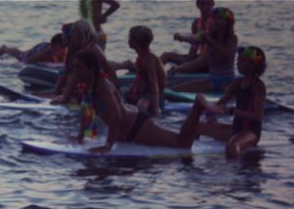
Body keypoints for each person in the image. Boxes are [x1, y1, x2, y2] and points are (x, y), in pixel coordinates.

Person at [69, 50, 208, 153]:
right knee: (180, 141)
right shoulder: (90, 85)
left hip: (137, 126)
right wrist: (80, 137)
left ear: (91, 69)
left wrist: (108, 146)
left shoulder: (102, 87)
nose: (75, 71)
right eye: (74, 67)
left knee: (182, 143)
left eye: (78, 67)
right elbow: (88, 111)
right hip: (126, 132)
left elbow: (116, 116)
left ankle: (198, 106)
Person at [197, 46, 268, 157]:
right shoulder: (237, 83)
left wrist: (234, 111)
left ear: (253, 64)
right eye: (238, 60)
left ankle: (237, 172)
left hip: (251, 132)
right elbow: (221, 102)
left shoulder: (258, 86)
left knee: (231, 148)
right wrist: (211, 114)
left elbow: (258, 117)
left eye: (242, 61)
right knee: (196, 126)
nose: (237, 64)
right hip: (236, 129)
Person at [169, 6, 238, 92]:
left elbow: (227, 54)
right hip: (212, 80)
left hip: (228, 81)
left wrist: (209, 40)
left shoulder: (232, 38)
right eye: (214, 18)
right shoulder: (207, 35)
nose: (216, 21)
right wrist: (182, 38)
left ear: (228, 22)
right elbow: (195, 39)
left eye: (220, 19)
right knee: (175, 89)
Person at [117, 25, 165, 118]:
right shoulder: (142, 56)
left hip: (151, 94)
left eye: (130, 38)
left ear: (136, 42)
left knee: (142, 105)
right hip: (142, 90)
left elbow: (154, 85)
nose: (128, 40)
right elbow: (141, 73)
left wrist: (156, 109)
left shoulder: (149, 59)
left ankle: (144, 123)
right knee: (119, 93)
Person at [161, 0, 215, 67]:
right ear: (197, 5)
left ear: (213, 4)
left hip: (211, 61)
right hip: (200, 59)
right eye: (202, 3)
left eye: (208, 3)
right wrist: (187, 62)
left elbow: (202, 38)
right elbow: (194, 48)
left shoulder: (216, 22)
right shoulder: (196, 24)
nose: (206, 7)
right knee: (166, 56)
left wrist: (182, 38)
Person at [0, 31, 66, 64]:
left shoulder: (65, 51)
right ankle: (4, 49)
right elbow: (27, 62)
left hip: (47, 45)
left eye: (58, 49)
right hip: (39, 49)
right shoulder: (45, 53)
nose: (55, 51)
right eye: (54, 48)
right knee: (21, 56)